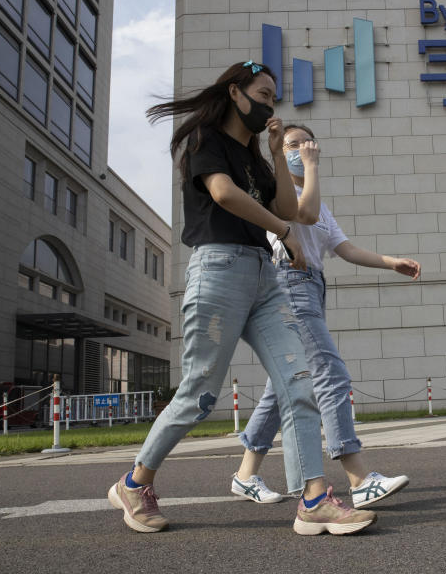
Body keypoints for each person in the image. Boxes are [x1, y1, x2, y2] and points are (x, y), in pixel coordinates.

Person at [107, 62, 375, 536]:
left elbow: (290, 209)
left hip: (263, 278)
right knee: (198, 395)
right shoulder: (206, 140)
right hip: (219, 270)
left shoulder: (255, 155)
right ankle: (134, 482)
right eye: (263, 94)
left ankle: (314, 499)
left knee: (299, 379)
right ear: (235, 92)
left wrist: (276, 155)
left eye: (274, 98)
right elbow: (225, 194)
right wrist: (282, 232)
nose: (270, 105)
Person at [231, 124, 421, 509]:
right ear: (279, 153)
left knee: (283, 383)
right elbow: (304, 212)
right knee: (329, 373)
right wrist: (312, 169)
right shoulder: (276, 190)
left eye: (306, 143)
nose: (302, 149)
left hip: (313, 286)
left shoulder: (318, 199)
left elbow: (344, 248)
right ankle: (358, 476)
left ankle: (245, 474)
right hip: (289, 282)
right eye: (292, 144)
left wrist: (391, 263)